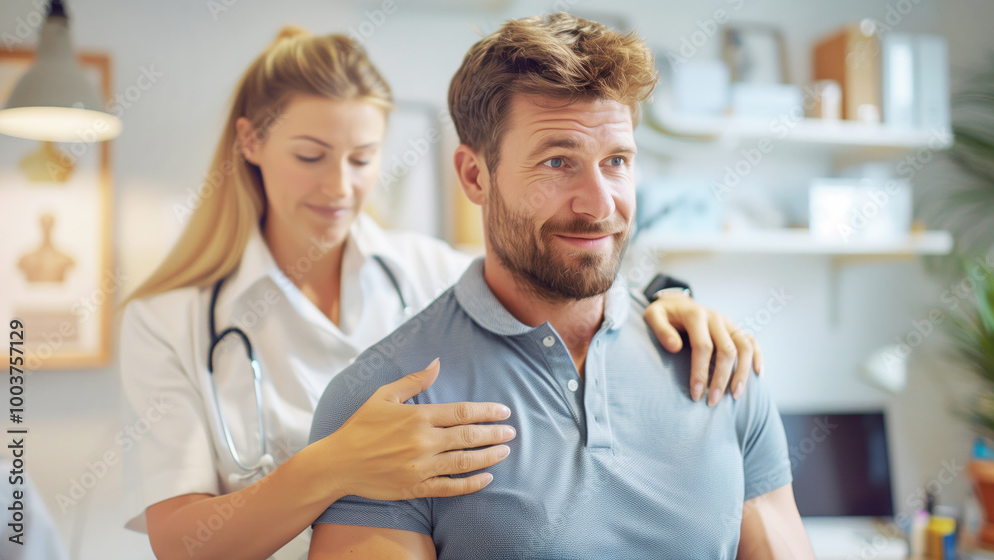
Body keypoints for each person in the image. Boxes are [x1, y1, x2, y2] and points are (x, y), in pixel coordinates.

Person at [119, 25, 764, 560]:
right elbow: (182, 541)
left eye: (363, 157)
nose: (340, 186)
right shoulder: (171, 319)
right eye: (312, 156)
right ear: (252, 143)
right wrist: (334, 465)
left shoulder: (424, 270)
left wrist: (671, 301)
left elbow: (557, 265)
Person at [307, 13, 814, 559]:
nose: (599, 204)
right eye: (557, 161)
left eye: (616, 161)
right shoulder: (384, 407)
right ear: (475, 176)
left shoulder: (719, 369)